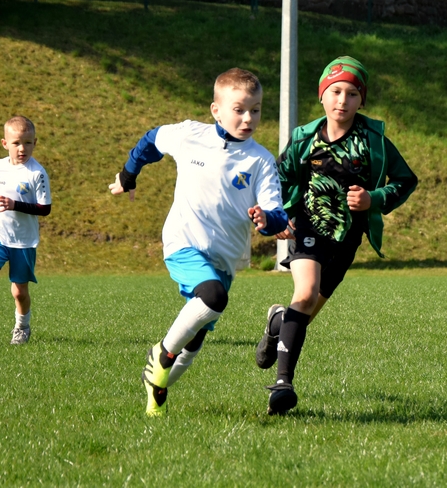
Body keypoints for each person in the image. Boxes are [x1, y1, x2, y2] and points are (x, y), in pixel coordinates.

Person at [109, 68, 288, 417]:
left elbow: (277, 213)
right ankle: (161, 354)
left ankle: (156, 388)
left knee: (196, 337)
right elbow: (151, 141)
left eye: (255, 110)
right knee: (213, 297)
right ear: (216, 110)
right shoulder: (190, 135)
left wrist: (268, 220)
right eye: (239, 109)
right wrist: (129, 175)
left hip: (225, 259)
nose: (248, 118)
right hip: (183, 242)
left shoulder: (261, 161)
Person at [255, 55, 418, 415]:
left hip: (347, 240)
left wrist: (374, 198)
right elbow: (278, 180)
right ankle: (283, 385)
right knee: (305, 293)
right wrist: (275, 215)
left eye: (352, 94)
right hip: (308, 227)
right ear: (322, 95)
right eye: (336, 91)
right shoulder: (305, 139)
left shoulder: (373, 141)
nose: (343, 100)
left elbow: (406, 180)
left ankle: (277, 323)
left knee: (304, 314)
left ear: (362, 100)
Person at [0, 116, 52, 346]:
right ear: (5, 143)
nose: (22, 148)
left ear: (35, 142)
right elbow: (4, 191)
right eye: (16, 143)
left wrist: (13, 205)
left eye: (27, 143)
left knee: (19, 293)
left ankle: (22, 327)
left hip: (23, 240)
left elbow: (45, 208)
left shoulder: (37, 174)